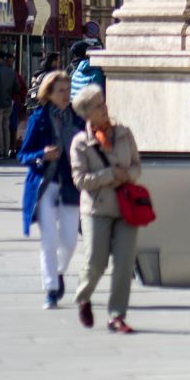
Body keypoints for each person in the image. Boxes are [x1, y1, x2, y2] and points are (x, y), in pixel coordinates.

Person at [70, 84, 143, 332]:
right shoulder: (81, 143)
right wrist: (110, 174)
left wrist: (128, 176)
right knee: (96, 262)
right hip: (96, 208)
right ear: (87, 113)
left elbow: (136, 166)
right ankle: (83, 296)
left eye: (104, 103)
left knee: (124, 263)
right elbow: (80, 180)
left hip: (126, 207)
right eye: (99, 105)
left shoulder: (124, 133)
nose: (105, 108)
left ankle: (117, 315)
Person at [19, 70, 83, 309]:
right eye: (61, 91)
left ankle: (58, 272)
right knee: (48, 241)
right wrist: (41, 156)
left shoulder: (77, 119)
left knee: (69, 241)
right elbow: (23, 155)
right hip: (44, 185)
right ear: (49, 93)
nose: (66, 95)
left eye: (68, 90)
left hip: (70, 185)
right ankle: (50, 289)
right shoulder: (39, 118)